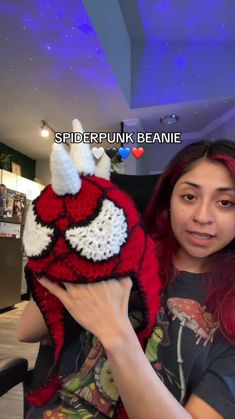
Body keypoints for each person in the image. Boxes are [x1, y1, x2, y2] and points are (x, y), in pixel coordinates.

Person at [17, 139, 235, 419]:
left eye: (226, 202)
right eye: (189, 197)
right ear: (169, 200)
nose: (203, 216)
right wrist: (75, 246)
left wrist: (116, 331)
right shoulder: (127, 252)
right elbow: (27, 330)